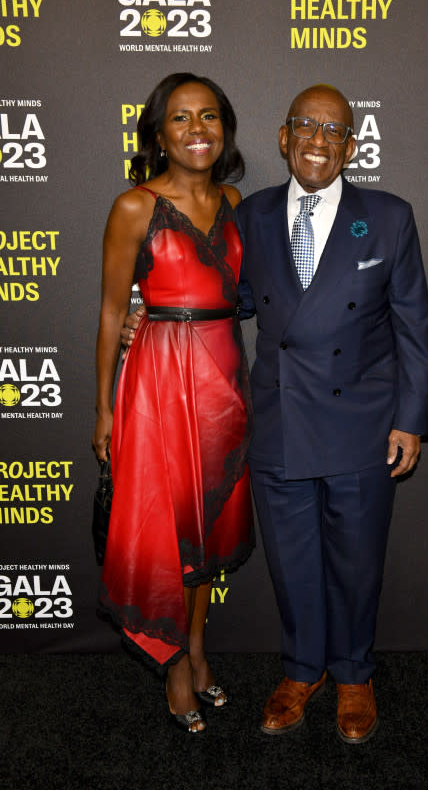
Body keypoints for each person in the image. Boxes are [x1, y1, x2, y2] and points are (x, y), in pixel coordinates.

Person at [124, 83, 428, 743]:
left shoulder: (387, 217)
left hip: (362, 425)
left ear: (350, 146)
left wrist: (410, 419)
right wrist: (148, 312)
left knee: (355, 560)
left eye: (332, 131)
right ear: (283, 137)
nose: (317, 142)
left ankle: (352, 674)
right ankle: (301, 670)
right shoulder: (252, 215)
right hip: (278, 421)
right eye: (304, 127)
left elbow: (414, 328)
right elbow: (225, 300)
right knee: (292, 561)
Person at [93, 73, 254, 734]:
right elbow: (109, 312)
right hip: (160, 386)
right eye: (181, 118)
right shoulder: (133, 207)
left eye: (209, 116)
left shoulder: (237, 201)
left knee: (208, 527)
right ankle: (177, 670)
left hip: (223, 382)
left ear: (225, 129)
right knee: (171, 531)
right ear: (159, 134)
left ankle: (195, 647)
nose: (197, 130)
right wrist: (102, 410)